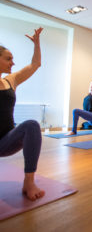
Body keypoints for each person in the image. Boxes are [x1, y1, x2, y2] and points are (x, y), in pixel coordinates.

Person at [0, 27, 45, 201]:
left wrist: (37, 44)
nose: (13, 63)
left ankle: (29, 181)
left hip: (5, 141)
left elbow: (35, 64)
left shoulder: (10, 80)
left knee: (32, 125)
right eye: (8, 59)